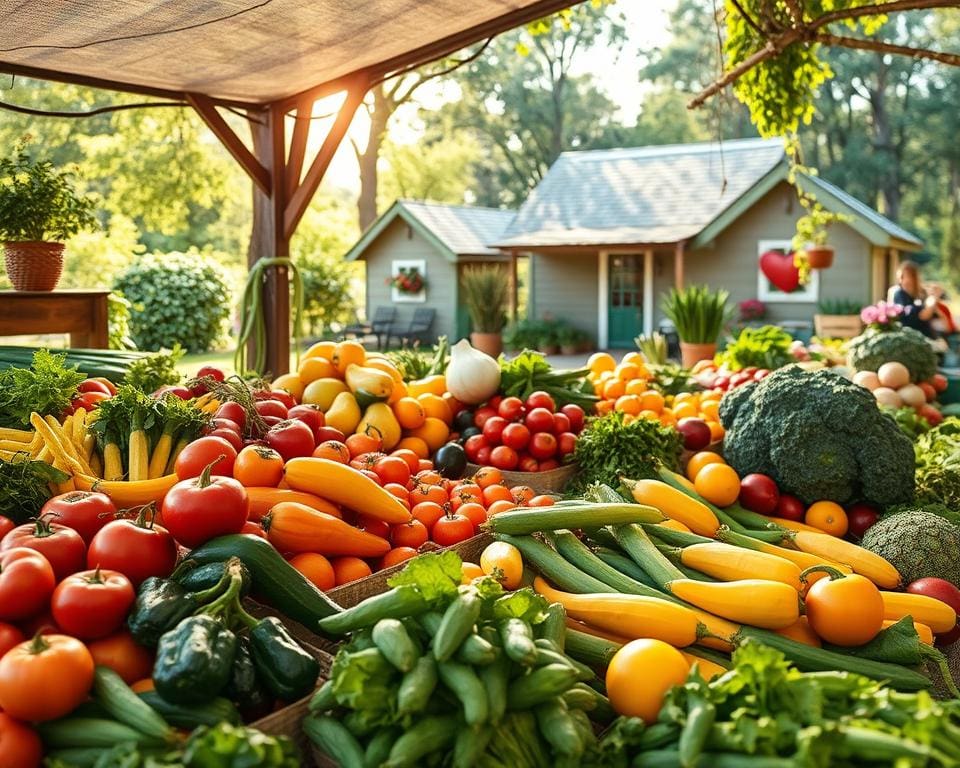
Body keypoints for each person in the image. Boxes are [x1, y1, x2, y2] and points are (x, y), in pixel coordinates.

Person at [891, 261, 937, 338]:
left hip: (924, 336)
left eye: (903, 276)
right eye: (900, 277)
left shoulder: (922, 293)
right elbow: (923, 315)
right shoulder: (899, 294)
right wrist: (933, 299)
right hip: (911, 339)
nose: (901, 281)